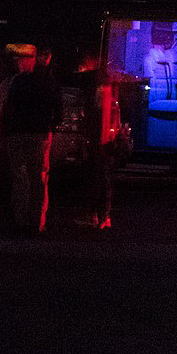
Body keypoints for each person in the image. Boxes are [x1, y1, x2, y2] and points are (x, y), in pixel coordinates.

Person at [0, 45, 62, 234]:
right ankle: (37, 221)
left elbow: (8, 107)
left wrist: (6, 131)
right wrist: (51, 127)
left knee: (19, 177)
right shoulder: (50, 83)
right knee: (39, 177)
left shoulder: (18, 81)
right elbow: (58, 112)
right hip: (40, 134)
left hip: (18, 132)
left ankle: (21, 219)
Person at [72, 51, 122, 230]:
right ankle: (104, 216)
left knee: (95, 176)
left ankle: (95, 215)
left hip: (99, 138)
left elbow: (98, 114)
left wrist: (93, 138)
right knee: (105, 177)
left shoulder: (98, 86)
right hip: (107, 138)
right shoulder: (109, 84)